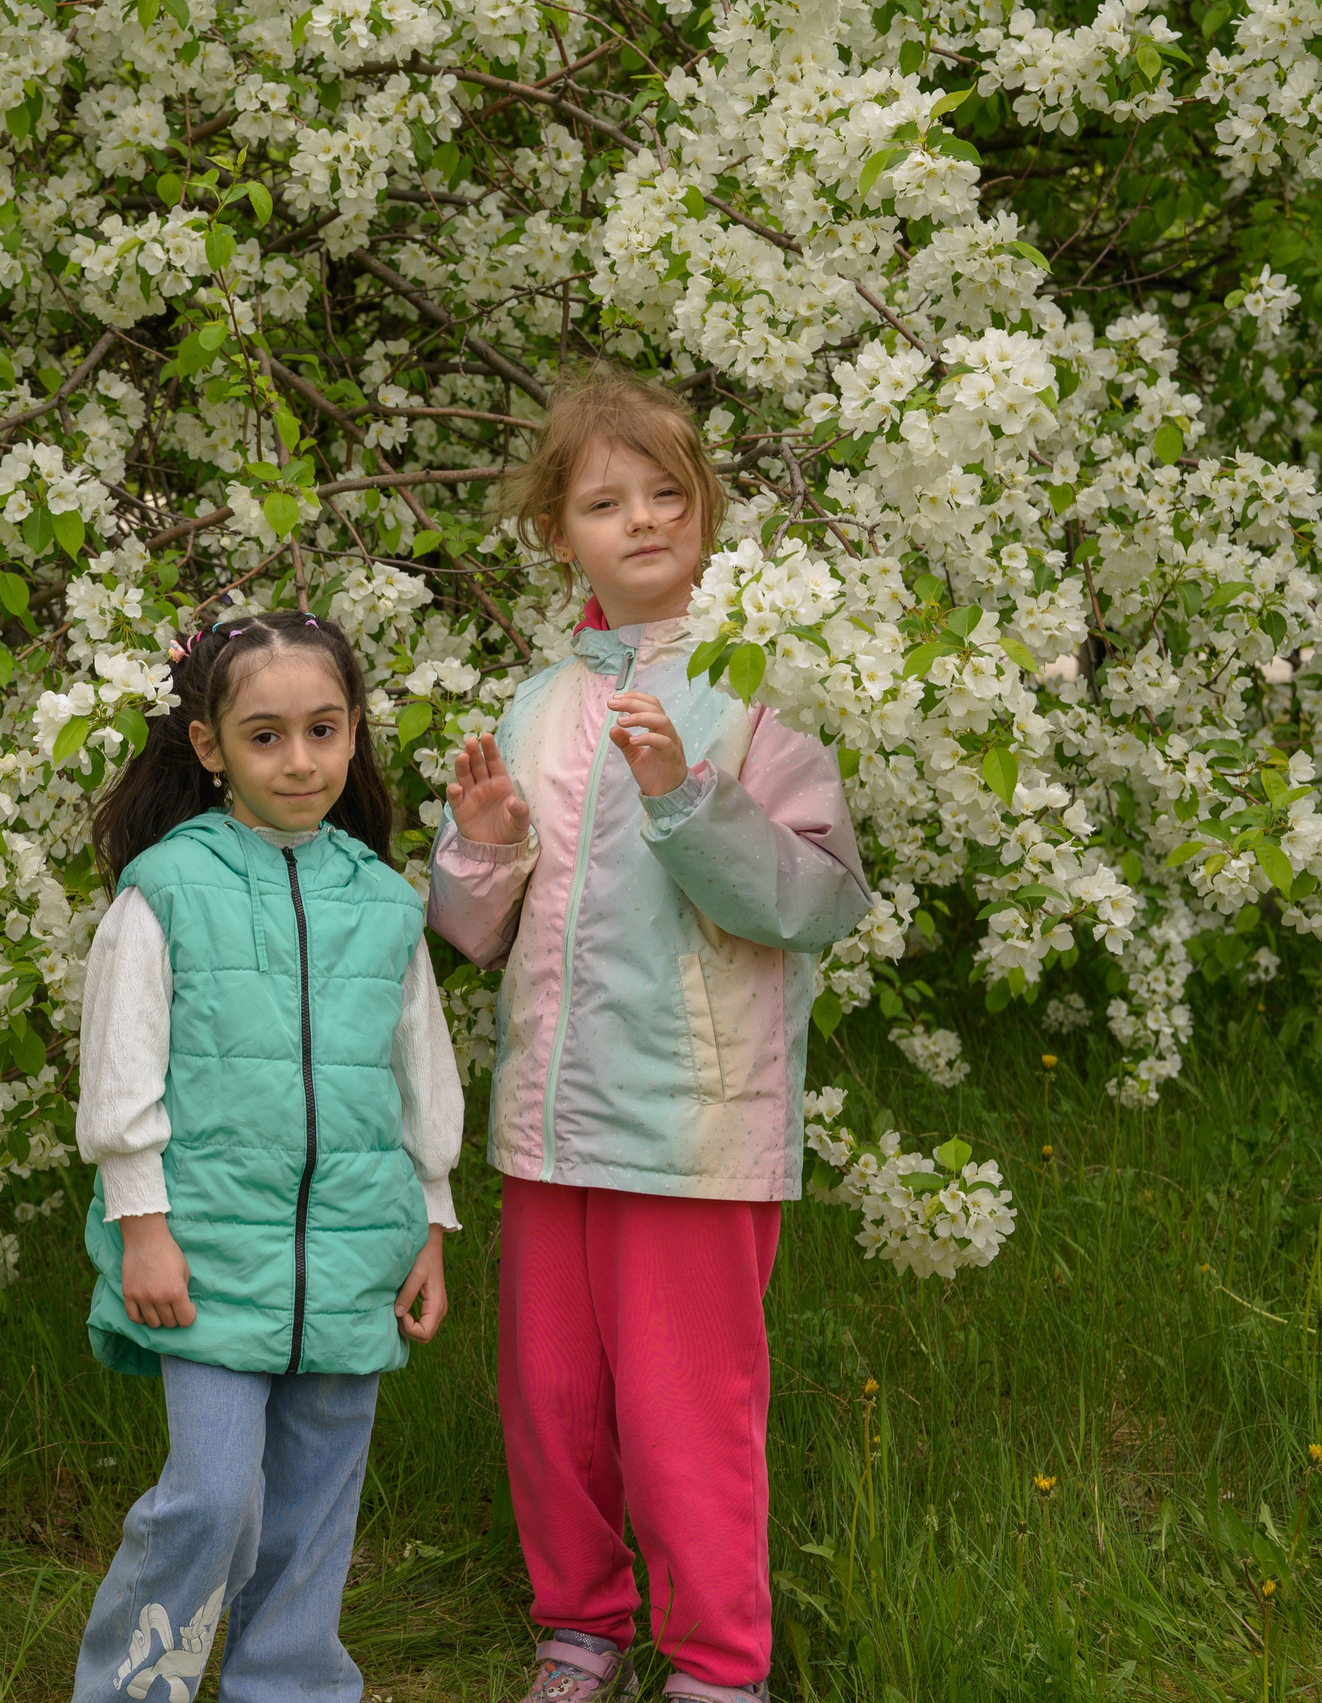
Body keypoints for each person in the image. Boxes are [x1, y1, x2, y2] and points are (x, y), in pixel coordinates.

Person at [428, 368, 871, 1703]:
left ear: (707, 511)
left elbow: (814, 900)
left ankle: (718, 1661)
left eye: (667, 492)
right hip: (554, 1120)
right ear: (559, 532)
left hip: (691, 1118)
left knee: (688, 1411)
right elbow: (476, 931)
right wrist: (483, 849)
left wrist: (687, 798)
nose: (640, 519)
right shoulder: (535, 704)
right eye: (604, 500)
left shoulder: (758, 691)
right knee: (551, 1394)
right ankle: (580, 1622)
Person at [69, 607, 463, 1703]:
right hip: (202, 1254)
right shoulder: (167, 888)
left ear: (353, 735)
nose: (299, 760)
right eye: (265, 735)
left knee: (313, 1500)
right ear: (208, 747)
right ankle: (131, 1687)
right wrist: (141, 1225)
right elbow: (120, 1072)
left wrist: (429, 1219)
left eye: (323, 730)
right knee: (209, 1496)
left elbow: (417, 1075)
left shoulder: (383, 902)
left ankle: (288, 1683)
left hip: (354, 1251)